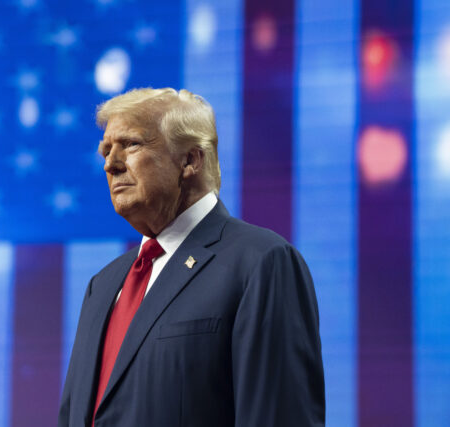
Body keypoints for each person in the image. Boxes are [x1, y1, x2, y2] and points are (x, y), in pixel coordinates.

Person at [58, 88, 325, 427]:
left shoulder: (260, 263)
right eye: (106, 151)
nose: (110, 164)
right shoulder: (104, 285)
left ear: (190, 160)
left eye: (131, 144)